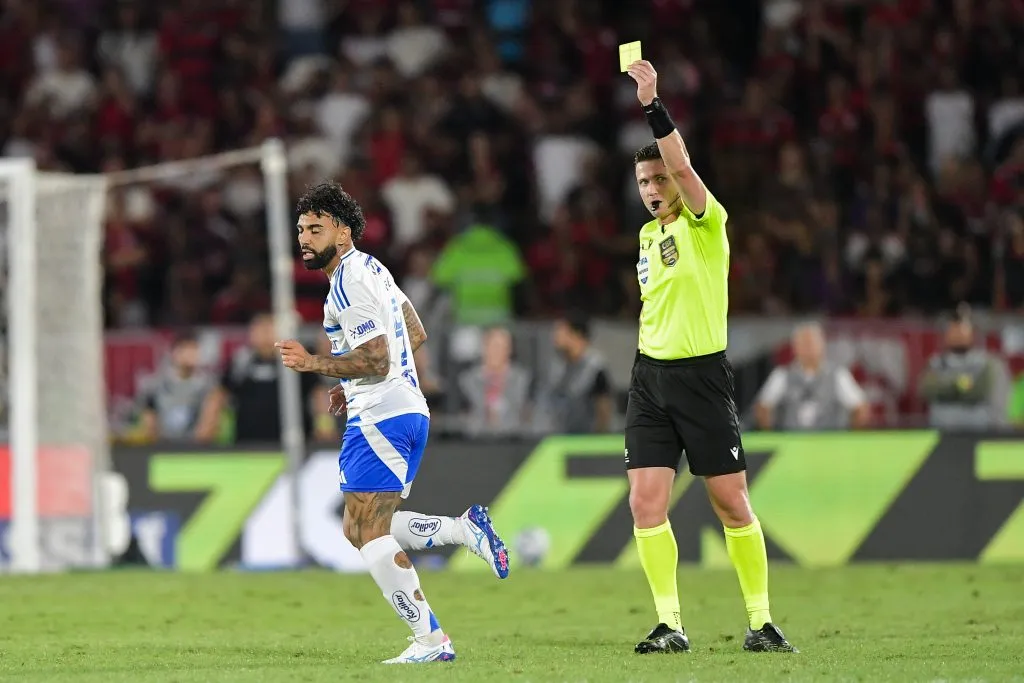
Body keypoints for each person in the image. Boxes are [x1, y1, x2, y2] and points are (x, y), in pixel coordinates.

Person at [274, 182, 509, 665]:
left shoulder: (348, 282)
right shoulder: (373, 269)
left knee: (370, 532)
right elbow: (413, 333)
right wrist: (350, 384)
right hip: (398, 407)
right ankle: (463, 531)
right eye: (300, 230)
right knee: (357, 527)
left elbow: (378, 358)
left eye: (315, 229)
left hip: (382, 414)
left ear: (342, 231)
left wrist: (314, 364)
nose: (305, 239)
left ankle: (431, 640)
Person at [623, 60, 797, 654]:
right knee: (645, 503)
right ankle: (670, 624)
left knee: (731, 503)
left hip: (701, 378)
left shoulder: (706, 224)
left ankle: (761, 621)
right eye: (644, 183)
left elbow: (683, 163)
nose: (652, 191)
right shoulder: (646, 238)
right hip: (650, 379)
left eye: (659, 181)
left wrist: (652, 105)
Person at [754, 322, 871, 431]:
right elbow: (763, 407)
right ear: (795, 347)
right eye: (804, 344)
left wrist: (849, 436)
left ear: (822, 345)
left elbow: (861, 407)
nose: (808, 348)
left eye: (812, 343)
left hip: (830, 443)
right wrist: (770, 434)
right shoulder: (782, 375)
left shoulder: (838, 375)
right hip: (792, 442)